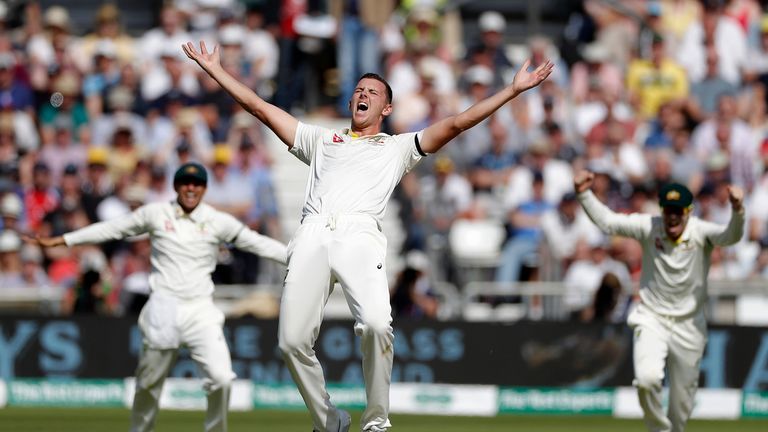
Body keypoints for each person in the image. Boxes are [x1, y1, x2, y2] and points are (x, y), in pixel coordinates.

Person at [182, 40, 552, 432]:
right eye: (358, 90)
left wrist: (512, 91)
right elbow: (259, 107)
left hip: (360, 234)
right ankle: (329, 421)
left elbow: (458, 123)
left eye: (372, 92)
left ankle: (376, 421)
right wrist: (215, 71)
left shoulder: (397, 148)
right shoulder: (321, 141)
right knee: (290, 342)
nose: (363, 94)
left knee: (377, 325)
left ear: (386, 109)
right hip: (312, 231)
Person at [28, 162, 288, 432]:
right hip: (164, 306)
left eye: (197, 183)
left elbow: (257, 242)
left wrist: (295, 256)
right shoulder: (156, 213)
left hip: (201, 309)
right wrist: (67, 239)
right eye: (186, 183)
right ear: (176, 186)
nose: (191, 188)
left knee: (221, 379)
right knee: (149, 383)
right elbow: (114, 228)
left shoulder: (216, 220)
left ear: (204, 188)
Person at [573, 170, 744, 432]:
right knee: (647, 380)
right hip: (652, 318)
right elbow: (609, 222)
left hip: (689, 326)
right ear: (661, 210)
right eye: (668, 210)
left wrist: (738, 210)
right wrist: (584, 194)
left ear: (688, 211)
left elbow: (730, 237)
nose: (672, 217)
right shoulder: (649, 226)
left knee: (681, 406)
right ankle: (658, 429)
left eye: (678, 211)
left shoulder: (701, 232)